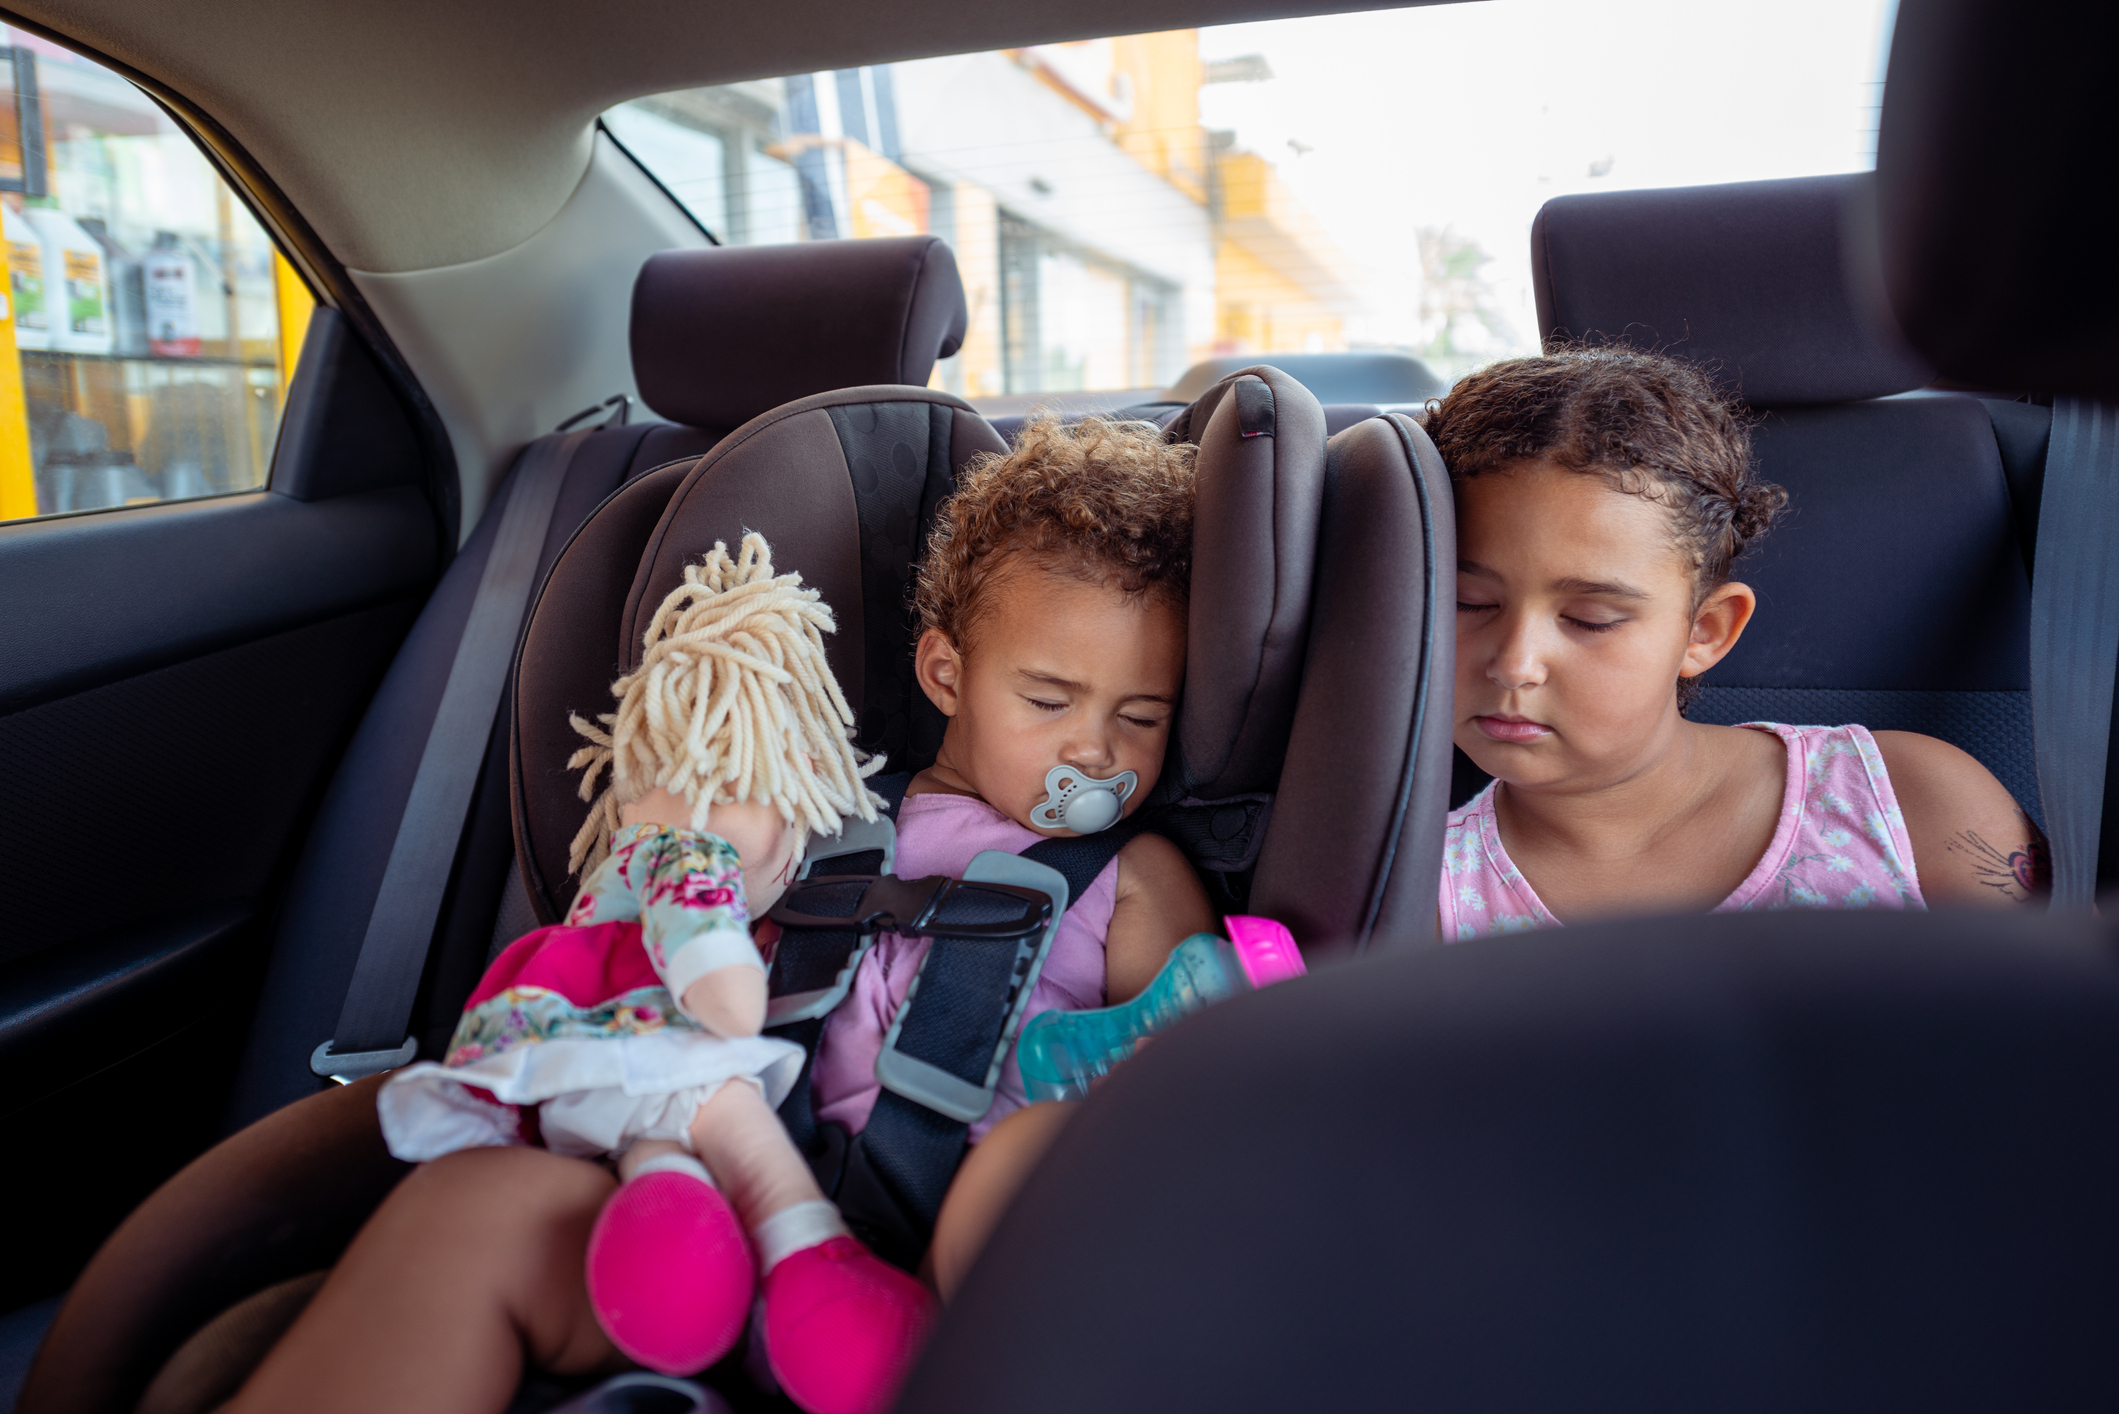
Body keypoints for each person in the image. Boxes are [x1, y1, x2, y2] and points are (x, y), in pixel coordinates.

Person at [224, 416, 1212, 1414]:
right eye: (1048, 699)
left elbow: (1195, 1099)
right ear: (945, 673)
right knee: (476, 1210)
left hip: (954, 1274)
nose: (1094, 751)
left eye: (1140, 716)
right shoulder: (815, 810)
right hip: (719, 1201)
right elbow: (665, 927)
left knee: (1039, 1163)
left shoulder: (1132, 875)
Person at [1429, 348, 2049, 942]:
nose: (1515, 664)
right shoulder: (1419, 894)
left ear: (1705, 632)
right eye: (1469, 603)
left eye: (1591, 618)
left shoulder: (1912, 804)